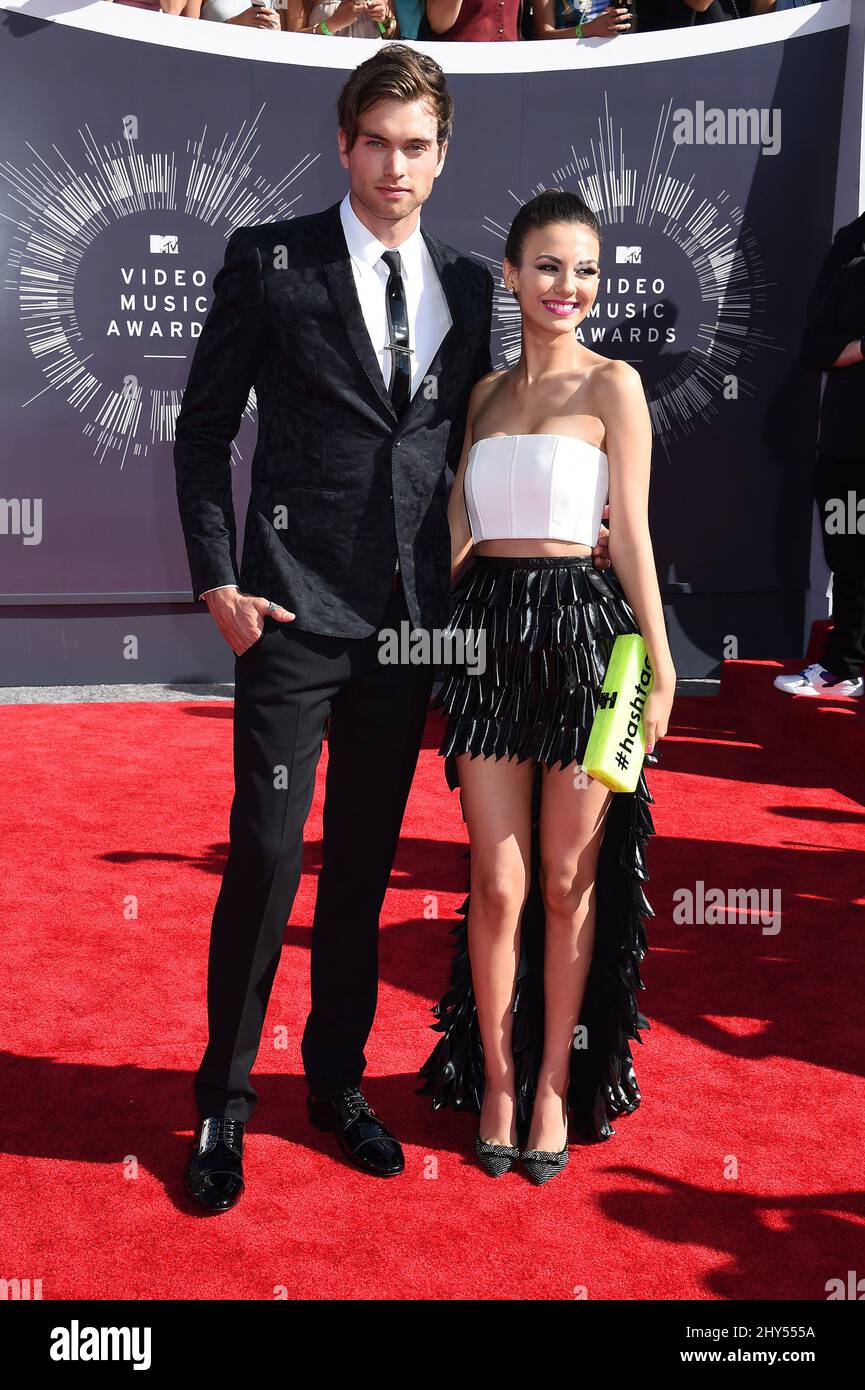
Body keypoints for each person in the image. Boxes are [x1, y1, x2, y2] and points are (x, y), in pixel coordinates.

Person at [174, 44, 497, 1212]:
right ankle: (222, 1101)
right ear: (344, 140)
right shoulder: (272, 262)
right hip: (291, 612)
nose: (395, 165)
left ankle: (336, 1082)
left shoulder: (471, 287)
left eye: (417, 146)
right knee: (263, 856)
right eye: (377, 141)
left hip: (410, 629)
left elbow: (471, 456)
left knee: (360, 868)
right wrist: (219, 577)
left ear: (441, 153)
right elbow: (203, 429)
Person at [419, 188, 676, 1185]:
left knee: (569, 882)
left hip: (588, 643)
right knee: (497, 879)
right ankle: (492, 1077)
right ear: (513, 276)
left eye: (586, 270)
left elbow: (637, 538)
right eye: (550, 267)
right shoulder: (482, 396)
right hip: (487, 641)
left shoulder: (615, 386)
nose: (569, 286)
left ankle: (555, 1087)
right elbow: (452, 535)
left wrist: (653, 666)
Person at [774, 212, 865, 699]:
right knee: (848, 551)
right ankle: (845, 665)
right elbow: (815, 345)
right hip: (848, 440)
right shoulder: (852, 240)